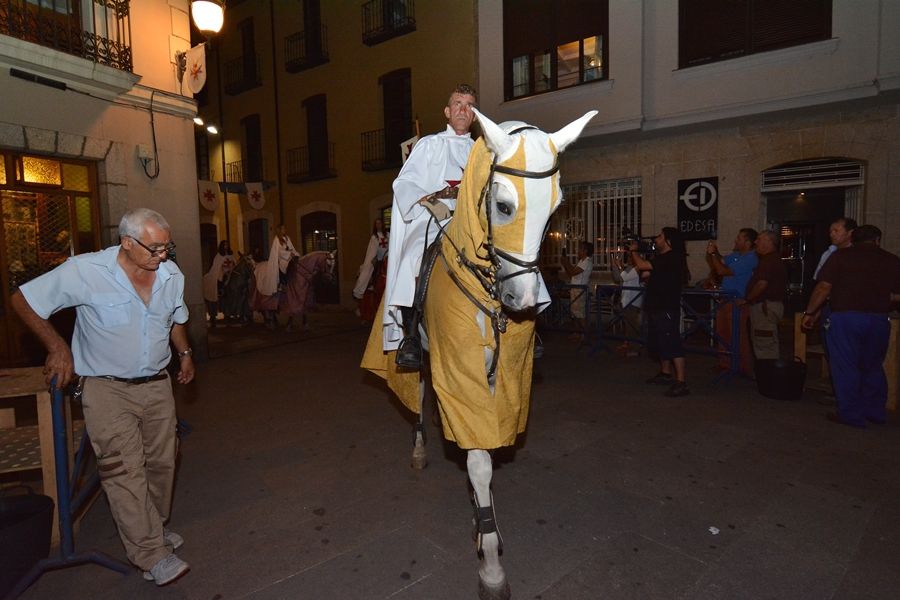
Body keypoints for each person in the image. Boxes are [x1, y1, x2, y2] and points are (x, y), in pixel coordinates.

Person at [10, 208, 194, 586]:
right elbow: (22, 300)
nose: (163, 255)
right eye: (155, 248)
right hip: (107, 388)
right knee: (123, 469)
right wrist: (58, 346)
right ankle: (150, 553)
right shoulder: (86, 271)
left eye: (167, 247)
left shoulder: (171, 275)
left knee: (163, 462)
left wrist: (186, 353)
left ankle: (153, 528)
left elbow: (176, 318)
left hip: (157, 384)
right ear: (126, 242)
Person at [382, 84, 478, 360]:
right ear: (447, 112)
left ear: (474, 115)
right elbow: (404, 182)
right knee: (412, 258)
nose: (463, 109)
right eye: (458, 103)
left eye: (469, 105)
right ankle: (412, 336)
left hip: (471, 220)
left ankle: (520, 324)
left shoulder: (481, 152)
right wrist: (427, 196)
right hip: (433, 216)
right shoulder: (429, 145)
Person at [802, 225, 900, 428]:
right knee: (873, 365)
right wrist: (882, 299)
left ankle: (850, 413)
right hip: (878, 319)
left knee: (845, 365)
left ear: (853, 238)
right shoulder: (891, 260)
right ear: (877, 240)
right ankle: (875, 411)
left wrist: (810, 312)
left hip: (846, 317)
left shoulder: (841, 257)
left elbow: (824, 287)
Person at [630, 227, 689, 397]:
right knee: (662, 342)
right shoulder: (663, 258)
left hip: (666, 307)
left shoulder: (672, 257)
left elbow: (642, 265)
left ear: (668, 241)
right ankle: (665, 373)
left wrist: (634, 251)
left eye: (661, 236)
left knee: (672, 342)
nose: (657, 239)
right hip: (657, 306)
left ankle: (681, 382)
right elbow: (647, 273)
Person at [706, 228, 758, 375]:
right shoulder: (736, 255)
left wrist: (713, 255)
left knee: (738, 335)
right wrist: (715, 253)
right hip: (726, 300)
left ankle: (743, 367)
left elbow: (722, 271)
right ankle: (725, 364)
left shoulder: (750, 258)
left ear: (747, 242)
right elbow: (721, 263)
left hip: (738, 301)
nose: (736, 240)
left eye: (739, 238)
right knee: (722, 332)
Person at [743, 230, 788, 361]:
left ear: (769, 242)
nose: (755, 242)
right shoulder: (771, 259)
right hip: (767, 307)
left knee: (764, 345)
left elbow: (762, 284)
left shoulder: (769, 260)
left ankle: (768, 372)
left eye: (759, 239)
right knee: (765, 343)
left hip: (764, 308)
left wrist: (748, 299)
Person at [611, 250, 643, 355]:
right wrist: (614, 266)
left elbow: (624, 277)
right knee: (628, 324)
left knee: (632, 325)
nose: (628, 259)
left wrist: (619, 266)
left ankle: (635, 349)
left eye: (630, 256)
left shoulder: (637, 268)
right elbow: (619, 278)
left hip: (633, 301)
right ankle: (627, 343)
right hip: (626, 300)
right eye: (628, 256)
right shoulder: (629, 268)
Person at [560, 241, 594, 340]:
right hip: (575, 289)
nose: (577, 250)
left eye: (580, 248)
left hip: (580, 290)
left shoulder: (587, 262)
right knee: (574, 313)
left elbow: (573, 272)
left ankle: (585, 334)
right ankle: (577, 332)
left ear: (585, 250)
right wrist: (565, 264)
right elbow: (571, 273)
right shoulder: (581, 261)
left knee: (580, 314)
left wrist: (566, 262)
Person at [352, 218, 389, 302]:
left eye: (379, 223)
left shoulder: (388, 235)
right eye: (376, 224)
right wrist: (374, 257)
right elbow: (371, 251)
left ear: (382, 224)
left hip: (386, 259)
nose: (378, 225)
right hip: (377, 260)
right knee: (371, 269)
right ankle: (370, 284)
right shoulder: (374, 237)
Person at [202, 239, 234, 327]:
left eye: (227, 245)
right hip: (221, 275)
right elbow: (216, 267)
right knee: (219, 287)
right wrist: (223, 272)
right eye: (224, 245)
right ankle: (220, 292)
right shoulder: (219, 256)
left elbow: (233, 263)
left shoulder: (231, 255)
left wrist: (230, 271)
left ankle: (229, 313)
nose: (226, 246)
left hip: (230, 274)